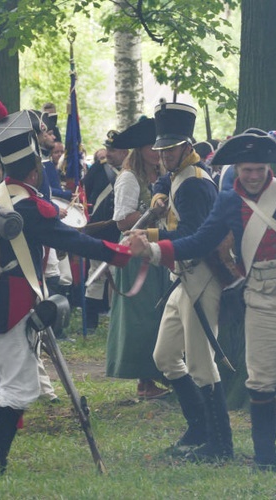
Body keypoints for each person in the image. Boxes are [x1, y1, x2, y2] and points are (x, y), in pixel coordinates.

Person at [129, 128, 276, 476]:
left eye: (258, 169)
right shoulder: (229, 200)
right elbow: (201, 240)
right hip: (260, 296)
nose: (252, 176)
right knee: (261, 380)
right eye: (246, 169)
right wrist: (155, 250)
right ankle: (265, 458)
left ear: (268, 168)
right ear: (238, 169)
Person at [0, 98, 132, 474]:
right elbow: (74, 241)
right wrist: (122, 254)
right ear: (36, 168)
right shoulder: (29, 208)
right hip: (12, 306)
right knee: (20, 387)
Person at [142, 101, 235, 462]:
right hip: (182, 278)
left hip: (202, 276)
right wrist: (157, 192)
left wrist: (149, 235)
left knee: (200, 364)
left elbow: (195, 235)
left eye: (170, 149)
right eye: (161, 150)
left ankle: (220, 443)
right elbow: (168, 181)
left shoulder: (196, 184)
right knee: (165, 356)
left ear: (187, 146)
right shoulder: (180, 175)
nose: (163, 156)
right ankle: (199, 429)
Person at [105, 116, 170, 399]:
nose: (157, 151)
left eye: (160, 146)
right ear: (139, 149)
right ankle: (144, 382)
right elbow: (122, 221)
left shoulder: (162, 176)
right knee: (142, 318)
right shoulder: (129, 178)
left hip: (157, 252)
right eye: (151, 147)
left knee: (159, 315)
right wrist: (158, 215)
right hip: (135, 256)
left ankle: (159, 373)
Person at [84, 132, 127, 332]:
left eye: (113, 150)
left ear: (124, 152)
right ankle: (90, 323)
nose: (109, 153)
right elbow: (87, 188)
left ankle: (116, 321)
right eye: (108, 149)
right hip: (100, 230)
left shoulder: (130, 172)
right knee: (95, 277)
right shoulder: (98, 170)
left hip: (120, 232)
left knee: (118, 277)